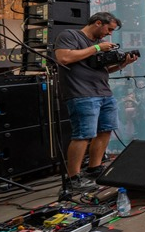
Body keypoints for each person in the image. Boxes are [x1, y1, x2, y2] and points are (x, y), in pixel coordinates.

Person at [54, 12, 139, 192]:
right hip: (81, 93)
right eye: (108, 29)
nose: (109, 34)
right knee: (83, 134)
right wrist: (98, 48)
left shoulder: (96, 45)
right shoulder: (70, 35)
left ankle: (94, 168)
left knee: (105, 130)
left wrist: (122, 64)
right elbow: (64, 58)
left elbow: (103, 71)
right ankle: (73, 178)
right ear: (98, 23)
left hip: (103, 92)